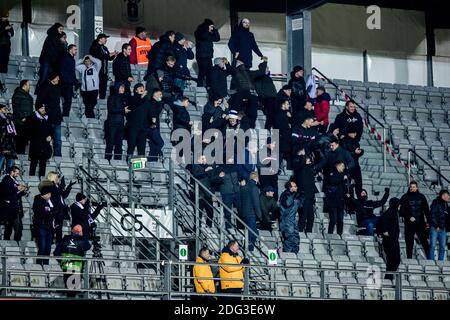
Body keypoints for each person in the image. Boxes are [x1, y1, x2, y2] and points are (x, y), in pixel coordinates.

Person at [54, 224, 91, 297]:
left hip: (66, 266)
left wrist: (61, 262)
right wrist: (83, 237)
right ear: (80, 232)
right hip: (76, 267)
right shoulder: (82, 240)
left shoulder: (65, 239)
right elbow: (88, 246)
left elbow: (56, 253)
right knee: (74, 289)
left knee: (68, 288)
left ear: (72, 231)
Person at [399, 181, 431, 259]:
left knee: (424, 242)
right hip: (409, 223)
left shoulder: (422, 197)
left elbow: (426, 210)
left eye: (413, 187)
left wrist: (428, 222)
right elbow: (401, 210)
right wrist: (409, 216)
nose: (412, 188)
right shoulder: (405, 197)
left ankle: (429, 258)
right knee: (409, 242)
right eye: (411, 187)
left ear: (417, 187)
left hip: (420, 223)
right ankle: (409, 259)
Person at [35, 72, 62, 157]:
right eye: (57, 77)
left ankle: (57, 155)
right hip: (48, 117)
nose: (58, 79)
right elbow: (38, 103)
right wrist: (43, 113)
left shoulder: (58, 88)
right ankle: (44, 155)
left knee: (57, 139)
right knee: (46, 138)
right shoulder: (45, 87)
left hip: (57, 117)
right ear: (53, 78)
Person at [292, 147, 316, 234]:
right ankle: (300, 233)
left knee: (311, 218)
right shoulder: (299, 168)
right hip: (303, 195)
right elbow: (299, 165)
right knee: (303, 216)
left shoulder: (310, 169)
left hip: (310, 196)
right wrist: (301, 156)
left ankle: (309, 234)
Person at [47, 172, 76, 244]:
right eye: (57, 177)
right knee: (54, 227)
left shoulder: (57, 186)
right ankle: (51, 241)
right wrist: (62, 184)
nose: (58, 179)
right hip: (54, 210)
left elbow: (64, 195)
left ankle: (58, 243)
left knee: (59, 228)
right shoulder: (50, 185)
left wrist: (69, 186)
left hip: (60, 210)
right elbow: (56, 193)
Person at [0, 166, 28, 240]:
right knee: (9, 228)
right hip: (8, 208)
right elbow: (6, 192)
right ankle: (7, 243)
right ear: (12, 172)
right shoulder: (6, 180)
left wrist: (23, 192)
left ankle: (15, 242)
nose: (18, 174)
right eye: (17, 173)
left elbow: (15, 195)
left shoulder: (14, 180)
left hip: (14, 207)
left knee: (17, 228)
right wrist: (17, 188)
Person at [36, 23, 65, 94]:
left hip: (51, 61)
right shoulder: (53, 36)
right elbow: (59, 49)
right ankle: (38, 91)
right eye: (60, 29)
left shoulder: (53, 36)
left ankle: (42, 92)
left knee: (48, 77)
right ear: (56, 28)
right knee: (44, 77)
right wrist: (63, 44)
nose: (61, 31)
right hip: (47, 60)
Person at [25, 104, 53, 177]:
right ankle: (31, 178)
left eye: (44, 108)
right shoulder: (32, 117)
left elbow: (51, 129)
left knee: (43, 163)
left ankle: (42, 178)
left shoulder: (47, 117)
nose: (43, 109)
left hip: (45, 144)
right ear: (37, 109)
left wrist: (50, 136)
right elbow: (27, 130)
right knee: (34, 162)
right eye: (41, 108)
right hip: (35, 144)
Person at [377, 197, 401, 281]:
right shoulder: (390, 212)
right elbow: (381, 222)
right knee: (394, 259)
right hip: (390, 240)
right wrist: (384, 231)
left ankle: (389, 278)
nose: (400, 206)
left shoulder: (393, 212)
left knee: (393, 260)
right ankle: (388, 278)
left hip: (392, 239)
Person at [33, 183, 56, 265]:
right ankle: (39, 264)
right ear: (45, 194)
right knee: (42, 247)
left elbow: (55, 211)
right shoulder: (38, 199)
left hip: (50, 227)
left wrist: (50, 212)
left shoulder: (51, 201)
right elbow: (40, 213)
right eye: (49, 194)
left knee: (48, 248)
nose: (50, 195)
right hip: (41, 226)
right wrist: (50, 212)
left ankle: (46, 265)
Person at [126, 83, 151, 159]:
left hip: (143, 127)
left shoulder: (146, 100)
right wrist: (141, 97)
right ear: (136, 90)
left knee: (142, 147)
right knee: (131, 145)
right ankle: (129, 163)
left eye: (142, 87)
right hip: (133, 126)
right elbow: (132, 105)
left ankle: (140, 167)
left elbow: (149, 112)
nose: (142, 89)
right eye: (139, 87)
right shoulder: (132, 98)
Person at [105, 84, 129, 161]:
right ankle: (107, 160)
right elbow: (111, 109)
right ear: (117, 88)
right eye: (121, 87)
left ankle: (117, 161)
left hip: (120, 124)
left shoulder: (123, 99)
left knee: (119, 144)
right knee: (110, 143)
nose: (123, 89)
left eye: (123, 87)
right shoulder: (111, 98)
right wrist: (123, 110)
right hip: (112, 124)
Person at [89, 33, 117, 99]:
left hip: (104, 72)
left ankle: (101, 103)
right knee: (95, 89)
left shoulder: (104, 48)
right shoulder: (94, 47)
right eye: (105, 38)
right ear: (100, 39)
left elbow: (108, 58)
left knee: (103, 89)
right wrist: (109, 55)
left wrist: (113, 55)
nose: (106, 40)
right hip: (97, 72)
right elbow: (99, 56)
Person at [239, 172, 261, 251]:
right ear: (256, 178)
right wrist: (259, 216)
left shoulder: (244, 187)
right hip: (251, 213)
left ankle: (247, 248)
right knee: (252, 234)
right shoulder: (254, 187)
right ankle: (249, 250)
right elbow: (256, 203)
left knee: (250, 232)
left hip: (244, 213)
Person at [195, 19, 221, 87]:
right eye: (211, 26)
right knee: (202, 73)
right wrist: (208, 30)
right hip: (202, 56)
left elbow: (217, 39)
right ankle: (200, 86)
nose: (212, 28)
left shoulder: (209, 34)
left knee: (209, 72)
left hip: (208, 56)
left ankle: (208, 86)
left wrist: (215, 31)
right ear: (207, 26)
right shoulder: (200, 32)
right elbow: (205, 36)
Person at [279, 180, 303, 253]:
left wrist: (301, 197)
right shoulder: (285, 195)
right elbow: (287, 203)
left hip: (293, 221)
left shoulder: (294, 196)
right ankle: (288, 257)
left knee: (296, 239)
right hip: (286, 222)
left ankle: (295, 256)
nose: (297, 188)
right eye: (295, 186)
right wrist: (294, 195)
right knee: (289, 239)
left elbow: (301, 205)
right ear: (290, 188)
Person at [326, 161, 349, 236]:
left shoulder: (342, 175)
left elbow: (344, 187)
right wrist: (342, 177)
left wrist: (347, 193)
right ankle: (329, 235)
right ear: (337, 166)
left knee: (340, 221)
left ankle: (339, 235)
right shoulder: (332, 172)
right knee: (333, 220)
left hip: (341, 201)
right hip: (333, 201)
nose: (343, 168)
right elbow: (332, 181)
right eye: (342, 166)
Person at [341, 126, 364, 196]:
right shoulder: (343, 141)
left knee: (359, 183)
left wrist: (361, 152)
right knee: (347, 185)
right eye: (353, 133)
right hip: (348, 165)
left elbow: (357, 152)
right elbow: (344, 153)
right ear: (349, 133)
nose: (355, 134)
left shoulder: (356, 142)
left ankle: (360, 199)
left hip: (356, 164)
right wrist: (354, 152)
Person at [12, 80, 34, 154]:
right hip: (20, 122)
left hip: (26, 122)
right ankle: (18, 156)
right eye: (28, 85)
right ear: (24, 85)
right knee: (20, 141)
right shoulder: (18, 94)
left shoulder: (25, 94)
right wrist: (22, 117)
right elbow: (16, 107)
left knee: (24, 141)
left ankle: (21, 156)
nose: (29, 86)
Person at [428, 190, 449, 261]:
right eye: (445, 195)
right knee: (432, 246)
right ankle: (430, 262)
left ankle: (441, 262)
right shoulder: (436, 203)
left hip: (443, 228)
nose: (447, 197)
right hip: (435, 228)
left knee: (443, 247)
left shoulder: (446, 205)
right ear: (442, 196)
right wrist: (436, 225)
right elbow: (432, 215)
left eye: (448, 195)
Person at [59, 44, 78, 117]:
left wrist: (75, 82)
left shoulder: (72, 59)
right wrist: (68, 81)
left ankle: (65, 117)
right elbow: (62, 71)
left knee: (68, 102)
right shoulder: (65, 58)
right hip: (65, 84)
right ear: (70, 50)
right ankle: (64, 117)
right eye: (75, 49)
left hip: (69, 84)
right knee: (66, 102)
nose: (76, 51)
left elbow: (72, 73)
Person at [273, 99, 292, 170]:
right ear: (283, 105)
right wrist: (287, 126)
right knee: (279, 154)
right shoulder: (278, 113)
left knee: (287, 154)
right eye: (287, 104)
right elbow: (278, 125)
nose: (289, 106)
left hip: (286, 137)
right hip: (280, 137)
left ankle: (288, 169)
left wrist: (290, 117)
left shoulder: (287, 113)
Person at [147, 88, 164, 162]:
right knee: (160, 143)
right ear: (155, 94)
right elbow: (154, 112)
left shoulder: (155, 103)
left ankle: (153, 160)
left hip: (154, 126)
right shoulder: (152, 103)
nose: (161, 96)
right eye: (160, 94)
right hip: (152, 126)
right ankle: (150, 159)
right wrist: (152, 122)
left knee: (154, 144)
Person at [0, 11, 14, 93]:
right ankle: (1, 83)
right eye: (5, 17)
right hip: (0, 45)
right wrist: (4, 29)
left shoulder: (8, 24)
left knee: (5, 64)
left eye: (7, 17)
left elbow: (12, 34)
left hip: (7, 45)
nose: (6, 18)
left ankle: (3, 82)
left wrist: (10, 31)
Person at [0, 104, 17, 172]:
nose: (6, 110)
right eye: (4, 109)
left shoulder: (8, 119)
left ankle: (7, 177)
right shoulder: (2, 119)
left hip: (10, 144)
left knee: (10, 167)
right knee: (1, 160)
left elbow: (12, 131)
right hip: (2, 144)